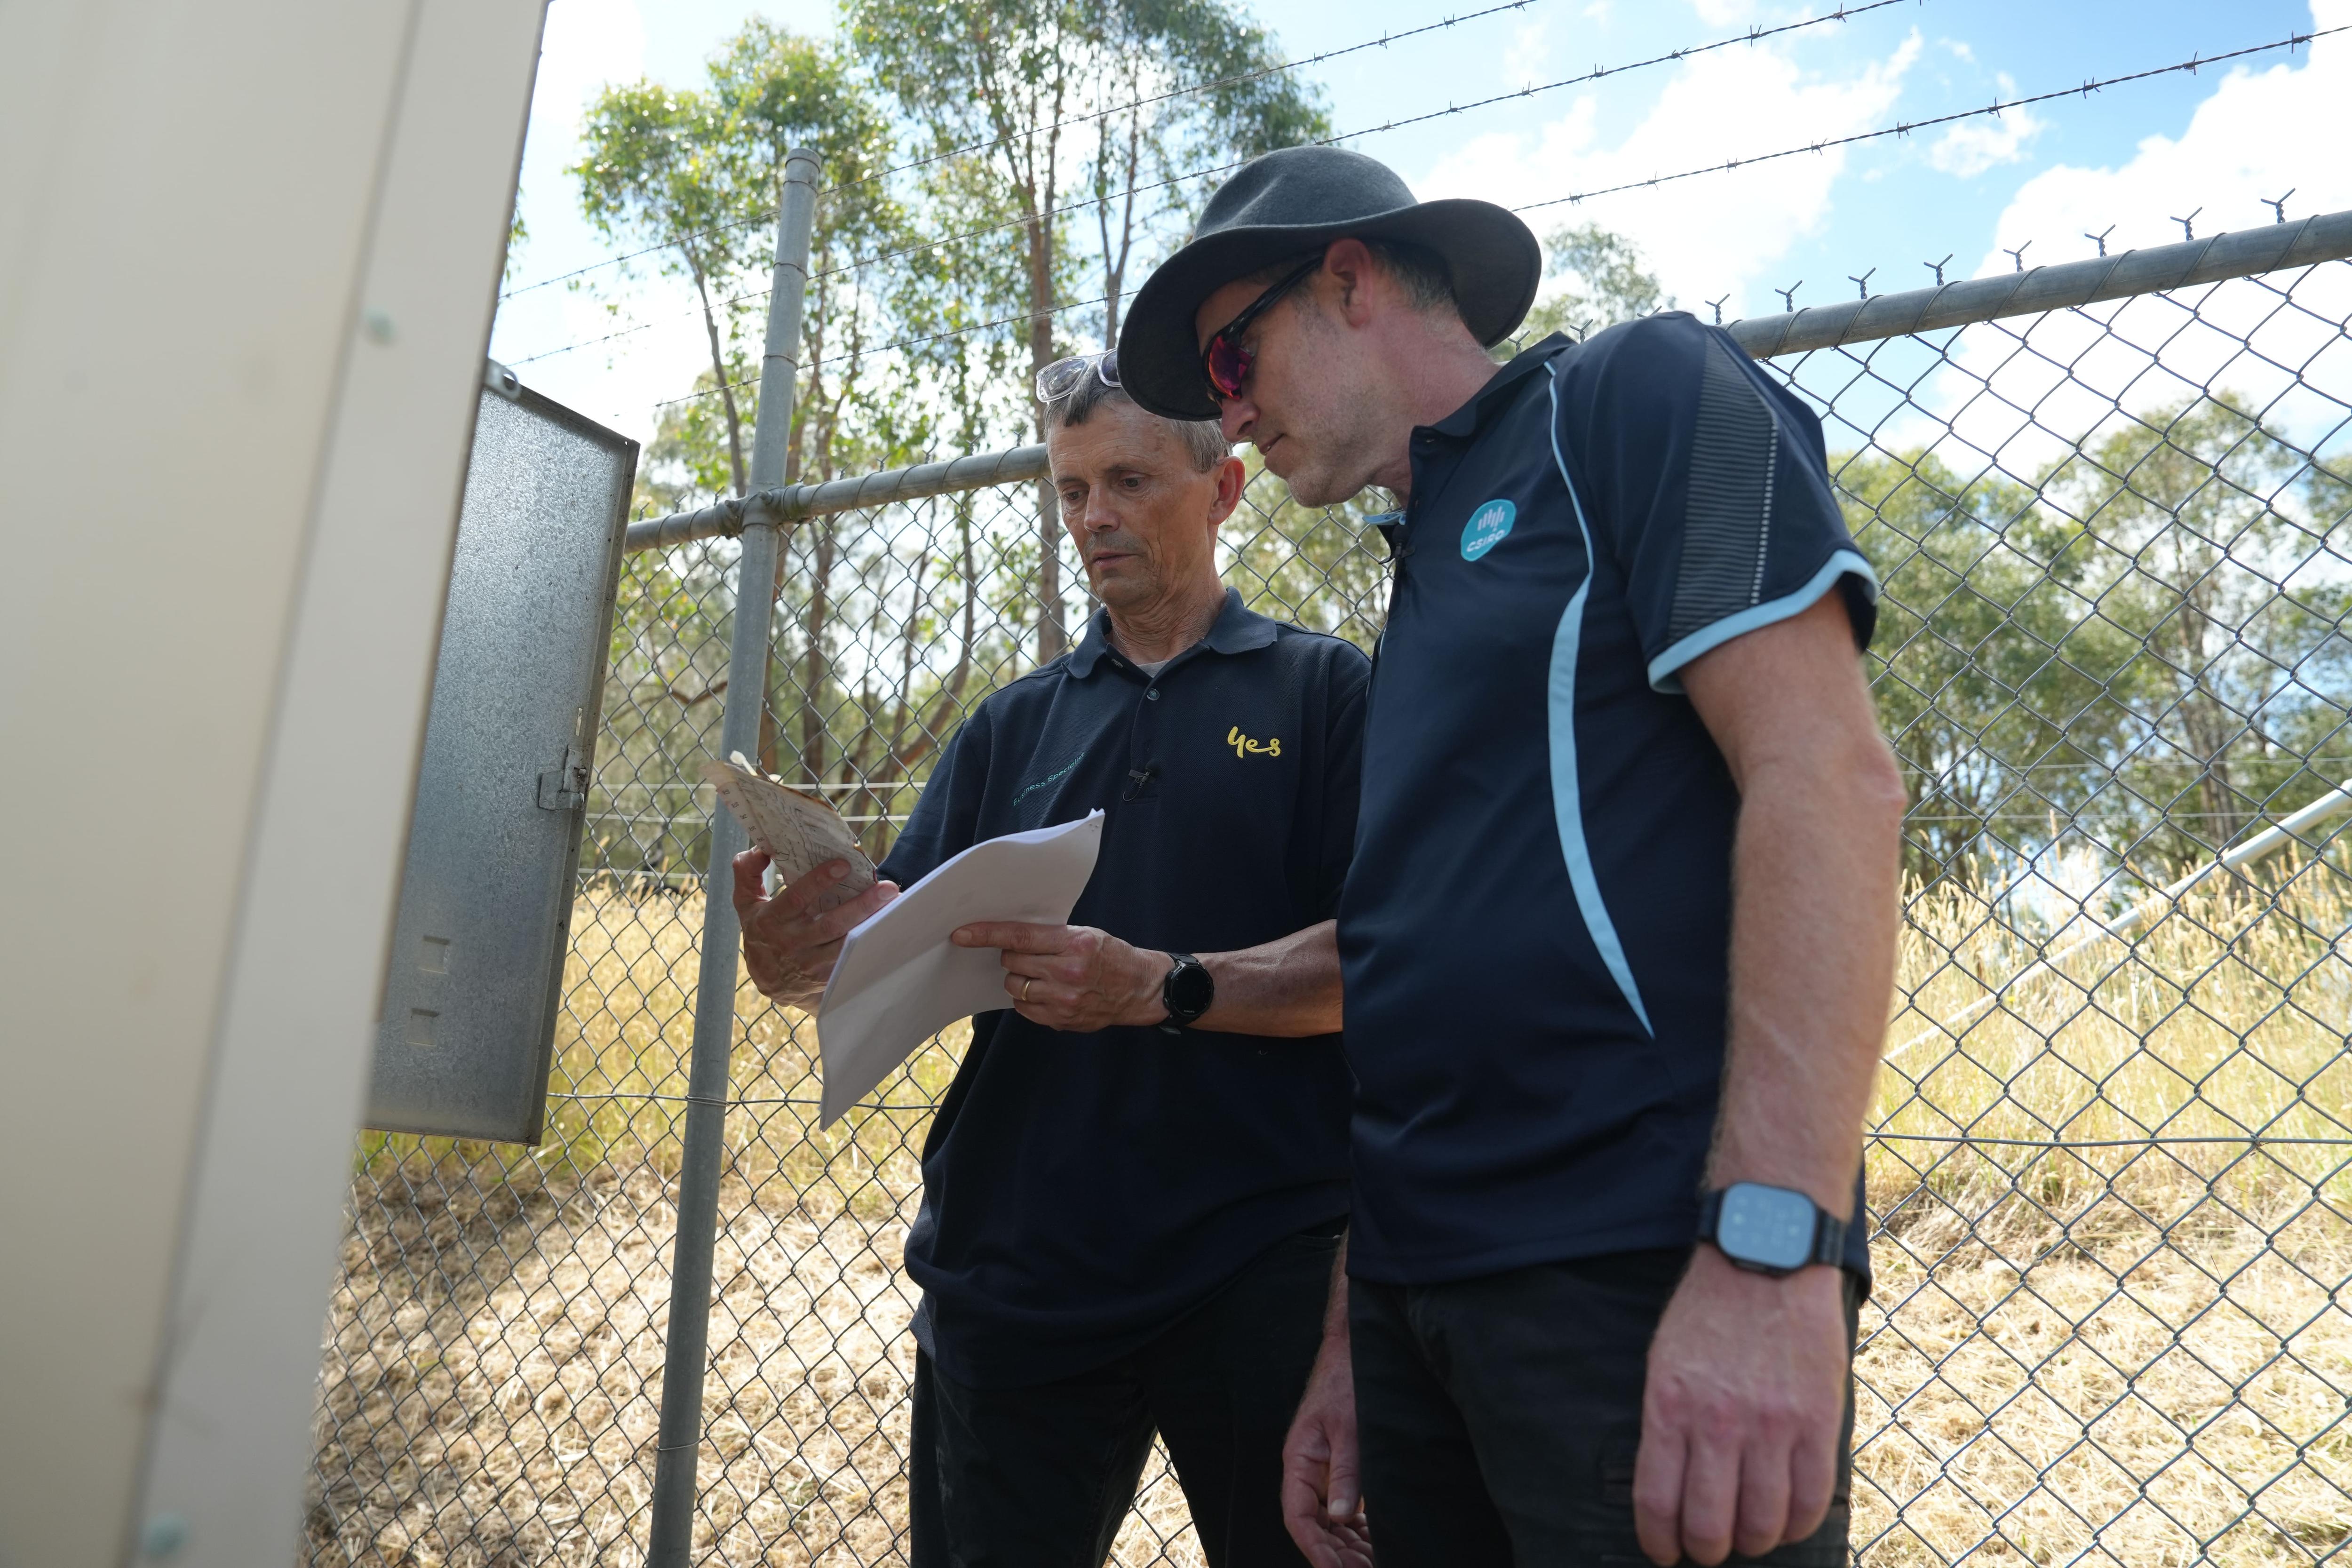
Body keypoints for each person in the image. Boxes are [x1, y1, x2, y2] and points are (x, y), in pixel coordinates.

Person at [1118, 145, 1906, 1568]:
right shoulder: (1421, 587)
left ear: (1350, 279)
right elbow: (1419, 976)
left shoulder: (1638, 395)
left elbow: (1829, 778)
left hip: (1634, 1268)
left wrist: (1772, 1250)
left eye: (1233, 359)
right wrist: (1362, 1332)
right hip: (1425, 1299)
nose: (1226, 416)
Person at [731, 352, 1373, 1568]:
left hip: (1260, 1262)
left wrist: (1160, 987)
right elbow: (883, 952)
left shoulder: (1325, 692)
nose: (1093, 519)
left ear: (1225, 489)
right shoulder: (1013, 724)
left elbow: (1381, 963)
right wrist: (794, 954)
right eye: (1071, 490)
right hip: (1016, 1262)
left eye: (1129, 481)